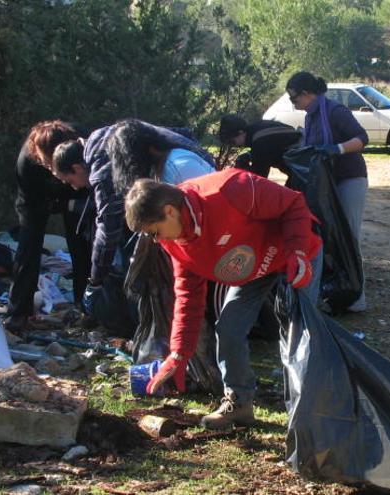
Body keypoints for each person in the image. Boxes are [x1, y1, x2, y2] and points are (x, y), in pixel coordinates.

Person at [124, 170, 322, 430]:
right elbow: (188, 294)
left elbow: (293, 203)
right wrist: (179, 353)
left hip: (296, 255)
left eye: (155, 232)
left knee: (302, 334)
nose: (156, 240)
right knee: (229, 329)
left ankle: (313, 411)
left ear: (170, 211)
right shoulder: (175, 242)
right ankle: (239, 404)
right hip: (254, 271)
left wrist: (297, 251)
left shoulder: (230, 190)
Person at [51, 119, 215, 316]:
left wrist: (96, 278)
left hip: (210, 229)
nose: (75, 187)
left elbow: (107, 227)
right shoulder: (103, 136)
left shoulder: (173, 170)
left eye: (69, 181)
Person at [286, 71, 369, 312]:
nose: (294, 104)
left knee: (349, 236)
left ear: (307, 94)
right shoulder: (311, 117)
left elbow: (362, 138)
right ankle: (336, 292)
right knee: (329, 238)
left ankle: (357, 298)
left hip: (350, 179)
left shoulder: (333, 110)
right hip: (327, 184)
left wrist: (336, 149)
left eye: (294, 99)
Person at [4, 120, 91, 332]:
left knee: (81, 243)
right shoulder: (28, 163)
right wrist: (58, 204)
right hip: (37, 198)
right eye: (48, 163)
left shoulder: (82, 145)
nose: (52, 169)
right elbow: (32, 206)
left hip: (78, 187)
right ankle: (20, 312)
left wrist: (74, 203)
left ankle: (86, 306)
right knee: (29, 245)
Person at [217, 114, 302, 178]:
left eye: (232, 142)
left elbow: (259, 175)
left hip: (304, 169)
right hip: (300, 166)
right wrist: (250, 155)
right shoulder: (258, 129)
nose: (234, 146)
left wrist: (243, 170)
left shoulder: (259, 140)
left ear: (240, 132)